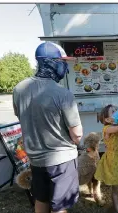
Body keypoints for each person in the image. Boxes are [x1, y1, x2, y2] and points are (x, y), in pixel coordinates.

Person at [12, 42, 83, 213]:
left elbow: (21, 115)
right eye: (62, 61)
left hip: (35, 159)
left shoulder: (19, 89)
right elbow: (77, 135)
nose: (65, 66)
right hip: (62, 160)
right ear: (51, 62)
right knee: (60, 206)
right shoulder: (63, 93)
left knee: (41, 199)